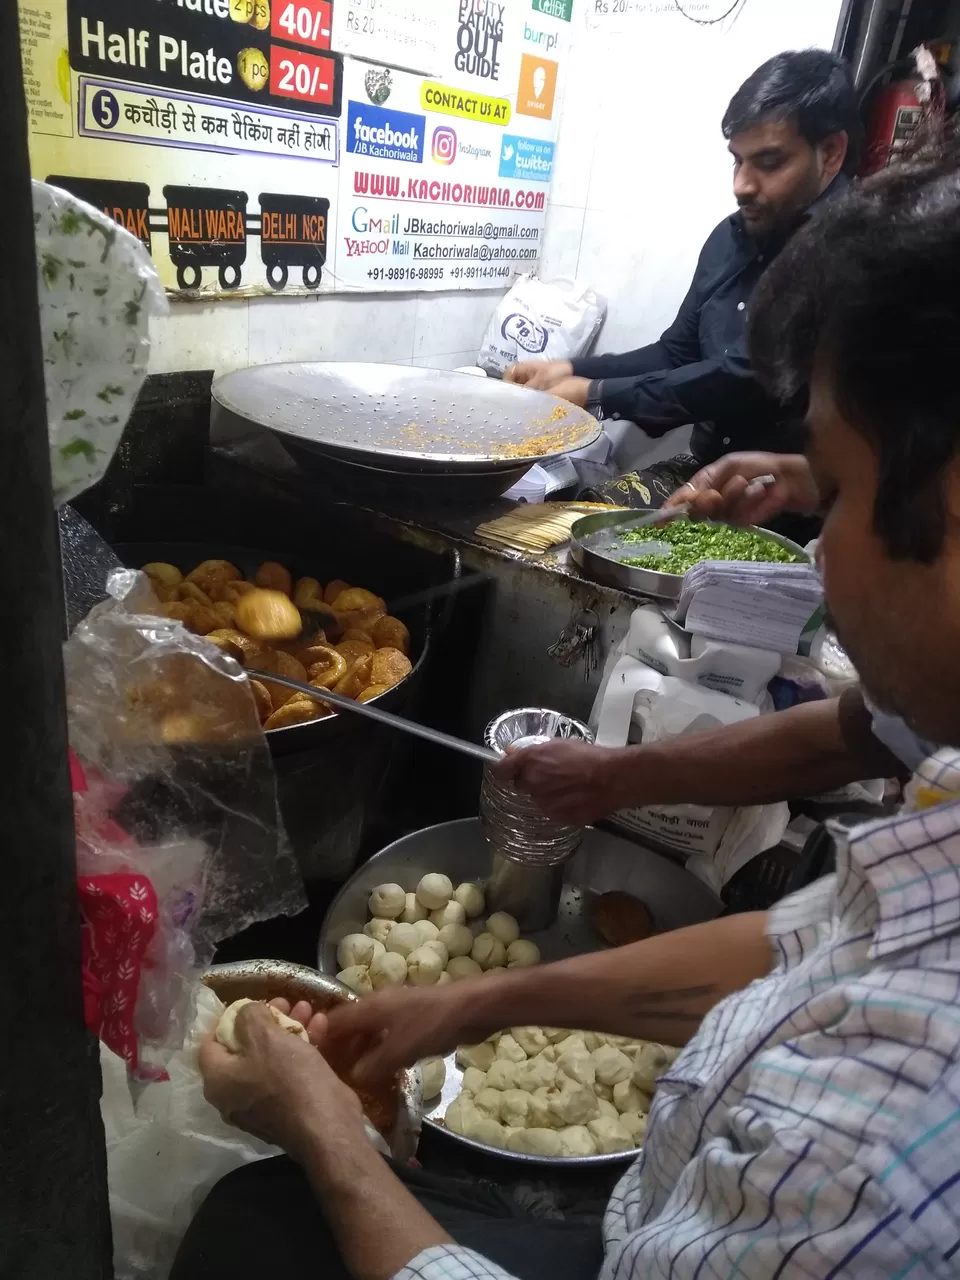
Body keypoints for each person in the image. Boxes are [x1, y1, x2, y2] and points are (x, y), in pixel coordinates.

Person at [175, 145, 960, 1278]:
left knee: (251, 1223)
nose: (815, 548)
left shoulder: (883, 1144)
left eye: (830, 491)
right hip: (659, 1193)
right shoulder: (927, 839)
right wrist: (476, 1001)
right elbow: (817, 936)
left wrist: (331, 1139)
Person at [504, 50, 860, 509]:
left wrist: (595, 393)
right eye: (738, 161)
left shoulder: (854, 252)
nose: (742, 185)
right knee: (581, 515)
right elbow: (676, 353)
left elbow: (749, 376)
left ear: (830, 153)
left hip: (800, 503)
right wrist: (573, 370)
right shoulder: (733, 238)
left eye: (769, 163)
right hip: (709, 471)